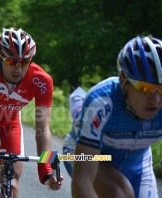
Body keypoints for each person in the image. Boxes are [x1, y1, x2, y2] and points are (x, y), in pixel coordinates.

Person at [0, 28, 62, 198]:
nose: (17, 68)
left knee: (13, 184)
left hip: (10, 121)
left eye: (23, 63)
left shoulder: (42, 81)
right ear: (0, 58)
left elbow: (43, 129)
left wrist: (46, 168)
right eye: (11, 62)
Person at [63, 35, 162, 198]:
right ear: (124, 81)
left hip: (137, 163)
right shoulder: (102, 101)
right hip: (85, 153)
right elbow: (82, 181)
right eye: (145, 89)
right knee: (119, 193)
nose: (156, 100)